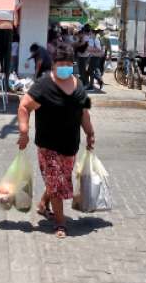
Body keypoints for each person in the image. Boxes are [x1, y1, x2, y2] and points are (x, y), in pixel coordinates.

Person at [17, 44, 95, 239]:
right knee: (57, 182)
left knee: (59, 179)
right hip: (48, 145)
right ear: (53, 64)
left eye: (69, 64)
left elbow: (84, 110)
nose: (65, 67)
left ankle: (43, 204)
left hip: (71, 145)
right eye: (61, 64)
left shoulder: (78, 83)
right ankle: (61, 223)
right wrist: (24, 132)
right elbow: (24, 106)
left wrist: (90, 133)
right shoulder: (44, 84)